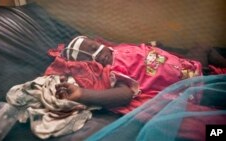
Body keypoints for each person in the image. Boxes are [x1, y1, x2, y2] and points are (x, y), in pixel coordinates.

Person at [49, 36, 226, 114]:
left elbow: (143, 51)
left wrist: (157, 46)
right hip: (191, 84)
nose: (98, 55)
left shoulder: (119, 48)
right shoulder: (113, 70)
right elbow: (124, 94)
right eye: (89, 58)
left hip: (187, 66)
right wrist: (82, 94)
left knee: (203, 47)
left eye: (95, 48)